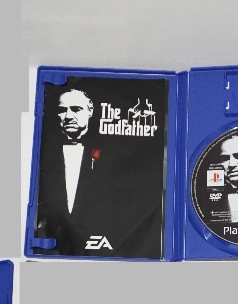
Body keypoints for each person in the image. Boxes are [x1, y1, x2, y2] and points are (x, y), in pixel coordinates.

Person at [33, 85, 165, 257]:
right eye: (62, 110)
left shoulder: (117, 156)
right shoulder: (43, 152)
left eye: (76, 109)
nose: (68, 116)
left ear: (90, 112)